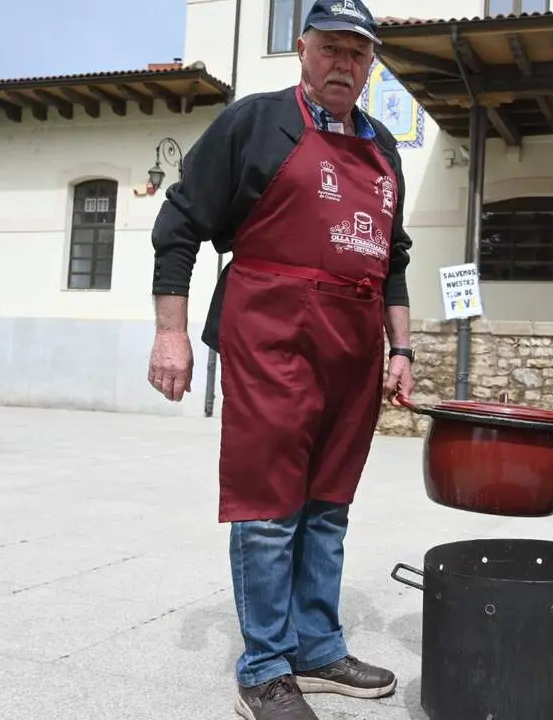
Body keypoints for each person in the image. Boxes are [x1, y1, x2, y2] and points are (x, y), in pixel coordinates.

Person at [145, 0, 416, 717]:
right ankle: (264, 665)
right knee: (270, 509)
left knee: (328, 505)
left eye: (357, 55)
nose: (343, 65)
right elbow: (178, 223)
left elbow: (393, 257)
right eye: (330, 49)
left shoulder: (384, 147)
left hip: (354, 346)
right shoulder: (255, 121)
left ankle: (318, 650)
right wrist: (169, 332)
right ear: (303, 49)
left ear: (370, 66)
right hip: (272, 331)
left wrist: (403, 347)